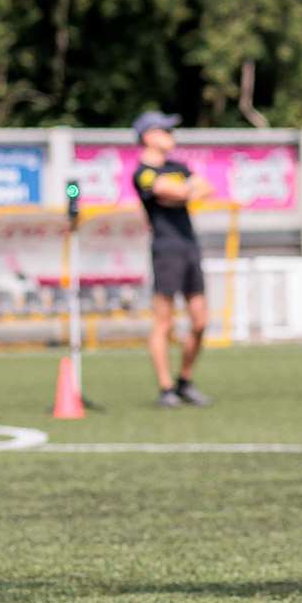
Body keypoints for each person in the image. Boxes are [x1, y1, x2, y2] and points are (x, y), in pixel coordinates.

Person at [132, 111, 213, 408]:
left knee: (201, 319)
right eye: (165, 130)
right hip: (166, 249)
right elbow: (174, 190)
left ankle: (185, 381)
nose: (171, 135)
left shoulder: (178, 166)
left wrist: (181, 192)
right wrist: (182, 191)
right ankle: (166, 388)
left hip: (190, 245)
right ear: (148, 136)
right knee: (163, 322)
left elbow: (203, 188)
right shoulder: (143, 173)